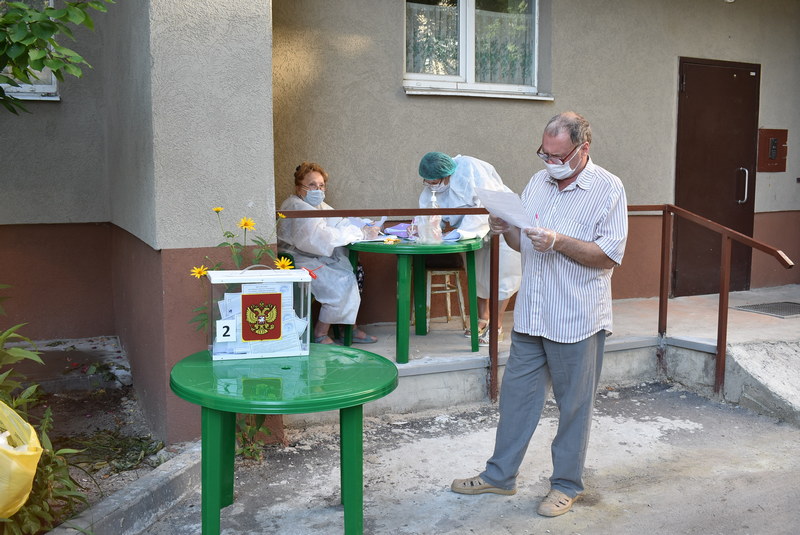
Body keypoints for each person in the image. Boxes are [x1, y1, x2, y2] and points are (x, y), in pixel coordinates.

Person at [450, 112, 628, 517]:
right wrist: (504, 227)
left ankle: (566, 485)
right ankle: (499, 476)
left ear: (583, 149)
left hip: (576, 318)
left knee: (573, 407)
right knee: (516, 400)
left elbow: (608, 257)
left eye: (558, 155)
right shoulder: (537, 182)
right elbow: (521, 241)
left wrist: (559, 241)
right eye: (544, 153)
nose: (550, 162)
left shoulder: (608, 188)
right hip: (532, 314)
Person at [417, 152, 522, 345]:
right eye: (427, 181)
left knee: (503, 275)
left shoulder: (470, 169)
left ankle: (496, 324)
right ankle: (483, 318)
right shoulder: (434, 188)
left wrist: (462, 232)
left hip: (501, 222)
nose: (431, 185)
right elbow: (429, 212)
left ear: (446, 174)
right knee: (479, 275)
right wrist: (422, 228)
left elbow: (486, 204)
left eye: (434, 181)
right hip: (469, 232)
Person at [277, 162, 380, 345]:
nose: (318, 189)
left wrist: (362, 228)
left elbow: (339, 222)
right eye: (312, 185)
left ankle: (348, 327)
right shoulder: (295, 205)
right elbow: (320, 239)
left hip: (316, 256)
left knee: (356, 272)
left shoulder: (319, 206)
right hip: (299, 260)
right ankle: (320, 333)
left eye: (321, 185)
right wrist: (359, 233)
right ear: (299, 187)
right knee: (342, 281)